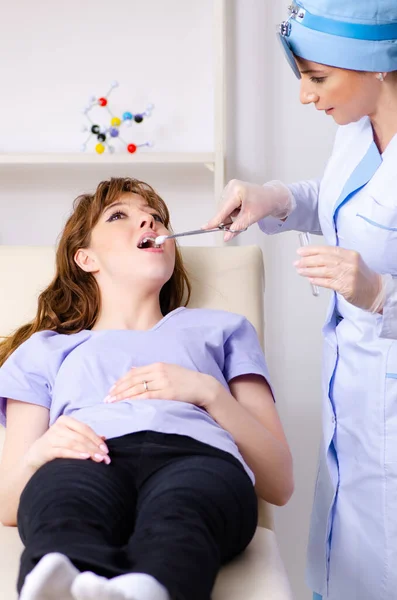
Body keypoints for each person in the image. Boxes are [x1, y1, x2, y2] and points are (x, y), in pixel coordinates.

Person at [0, 177, 293, 600]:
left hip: (198, 458)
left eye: (156, 217)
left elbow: (279, 483)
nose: (148, 222)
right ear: (85, 258)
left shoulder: (223, 330)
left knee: (184, 513)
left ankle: (153, 589)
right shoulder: (45, 349)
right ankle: (63, 585)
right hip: (85, 458)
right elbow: (9, 506)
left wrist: (209, 392)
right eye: (120, 216)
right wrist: (38, 455)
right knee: (65, 508)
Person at [205, 2, 397, 599]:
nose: (304, 97)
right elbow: (343, 203)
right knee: (345, 562)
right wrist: (276, 197)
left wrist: (378, 294)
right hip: (354, 395)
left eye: (317, 78)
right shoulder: (356, 127)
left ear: (378, 66)